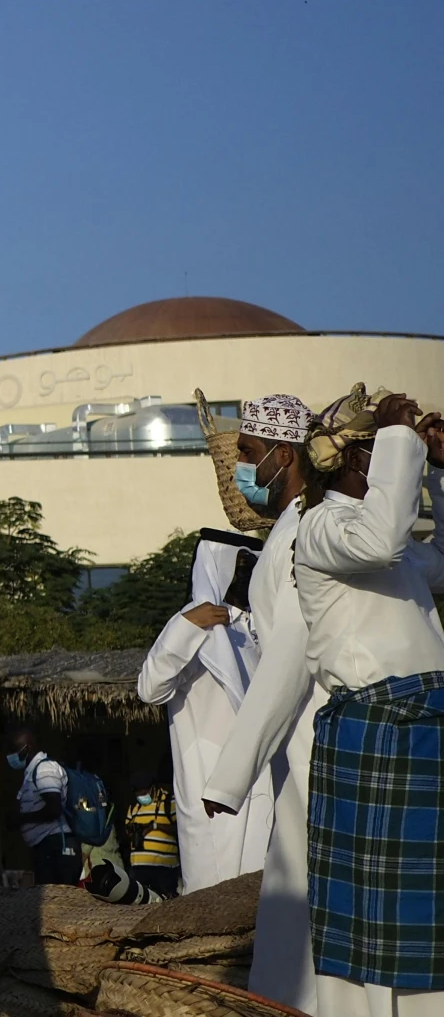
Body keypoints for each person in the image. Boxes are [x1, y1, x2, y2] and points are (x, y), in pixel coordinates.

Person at [287, 389, 444, 1017]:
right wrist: (399, 435)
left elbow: (433, 559)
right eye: (377, 449)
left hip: (420, 734)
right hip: (380, 733)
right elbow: (380, 540)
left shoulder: (393, 547)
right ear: (355, 460)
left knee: (424, 923)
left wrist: (435, 467)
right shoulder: (322, 528)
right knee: (373, 930)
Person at [202, 392, 327, 1010]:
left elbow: (289, 657)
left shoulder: (307, 531)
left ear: (283, 454)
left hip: (312, 736)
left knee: (305, 895)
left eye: (248, 454)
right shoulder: (289, 527)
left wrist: (227, 777)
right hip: (295, 742)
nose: (240, 469)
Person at [134, 529, 270, 890]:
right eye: (238, 565)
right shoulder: (189, 629)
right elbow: (150, 688)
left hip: (262, 787)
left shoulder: (257, 630)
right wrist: (190, 625)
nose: (244, 575)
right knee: (214, 903)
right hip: (210, 791)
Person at [4, 727, 80, 885]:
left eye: (15, 750)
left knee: (57, 902)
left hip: (56, 847)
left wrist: (21, 819)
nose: (11, 756)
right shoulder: (32, 772)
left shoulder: (44, 769)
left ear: (28, 748)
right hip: (47, 847)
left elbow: (54, 809)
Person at [121, 770, 181, 899]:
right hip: (139, 868)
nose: (141, 796)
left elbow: (180, 829)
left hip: (164, 868)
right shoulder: (134, 807)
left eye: (143, 792)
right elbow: (126, 832)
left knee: (167, 905)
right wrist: (132, 831)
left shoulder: (168, 802)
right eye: (137, 793)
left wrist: (155, 826)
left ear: (152, 788)